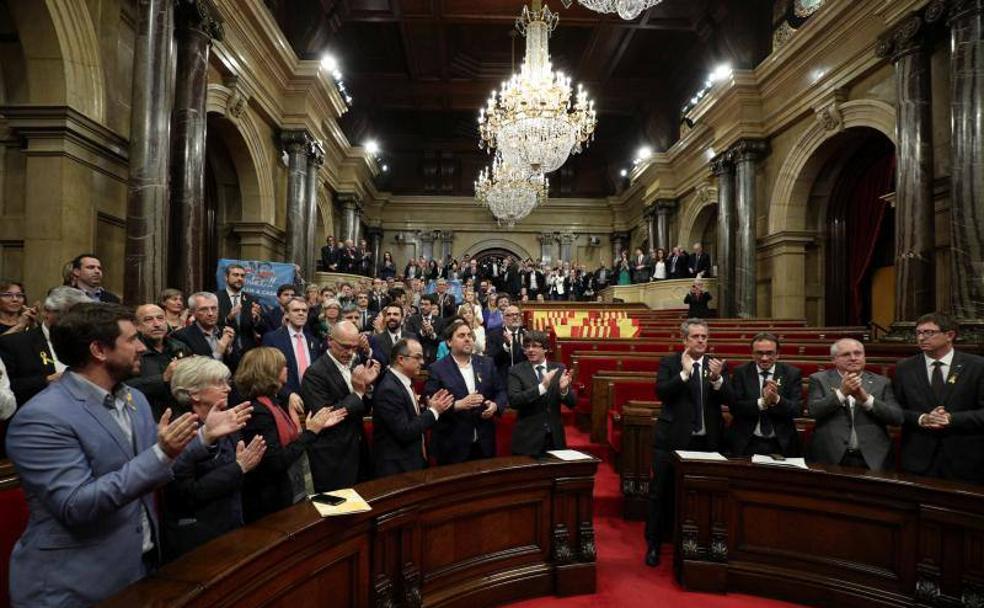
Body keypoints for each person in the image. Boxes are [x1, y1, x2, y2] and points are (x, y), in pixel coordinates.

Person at [5, 302, 249, 606]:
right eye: (132, 339)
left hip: (141, 567)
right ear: (99, 350)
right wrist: (162, 453)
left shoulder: (134, 399)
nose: (142, 349)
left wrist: (203, 439)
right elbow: (76, 505)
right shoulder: (42, 418)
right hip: (73, 583)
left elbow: (155, 471)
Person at [162, 357, 266, 561]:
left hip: (231, 525)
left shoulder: (226, 419)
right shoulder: (178, 429)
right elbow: (186, 493)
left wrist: (242, 467)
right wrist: (238, 468)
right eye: (219, 383)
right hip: (199, 539)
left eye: (227, 382)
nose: (227, 388)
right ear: (194, 393)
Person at [645, 318, 730, 567]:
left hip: (708, 441)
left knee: (705, 494)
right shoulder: (670, 362)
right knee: (659, 493)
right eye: (696, 337)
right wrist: (683, 374)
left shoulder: (717, 365)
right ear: (684, 340)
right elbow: (661, 392)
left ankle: (703, 544)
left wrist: (717, 380)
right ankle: (654, 544)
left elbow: (732, 399)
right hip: (671, 440)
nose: (701, 340)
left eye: (704, 336)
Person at [236, 347, 345, 523]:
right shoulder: (258, 411)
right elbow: (276, 461)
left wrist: (312, 428)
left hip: (287, 490)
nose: (287, 369)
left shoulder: (273, 402)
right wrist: (311, 432)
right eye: (283, 366)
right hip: (270, 503)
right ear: (269, 372)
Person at [893, 312, 984, 483]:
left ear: (949, 335)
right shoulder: (904, 368)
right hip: (919, 460)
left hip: (966, 460)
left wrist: (952, 419)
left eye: (929, 333)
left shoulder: (977, 366)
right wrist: (922, 418)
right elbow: (895, 410)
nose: (921, 338)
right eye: (918, 333)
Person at [300, 321, 381, 491]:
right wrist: (358, 393)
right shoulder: (314, 373)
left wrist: (368, 387)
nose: (350, 352)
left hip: (357, 449)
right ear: (330, 340)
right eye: (345, 346)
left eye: (354, 347)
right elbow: (327, 417)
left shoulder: (354, 365)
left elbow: (363, 408)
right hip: (333, 457)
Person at [807, 338, 903, 471]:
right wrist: (841, 393)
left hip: (873, 457)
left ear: (864, 357)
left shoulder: (882, 382)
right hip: (830, 455)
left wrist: (867, 400)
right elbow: (813, 411)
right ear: (833, 359)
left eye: (858, 353)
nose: (853, 358)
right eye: (846, 354)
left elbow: (896, 418)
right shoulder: (819, 379)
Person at [424, 319, 506, 465]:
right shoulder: (437, 369)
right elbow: (431, 404)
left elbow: (501, 392)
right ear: (449, 342)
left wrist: (495, 406)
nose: (467, 339)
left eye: (469, 335)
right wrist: (457, 405)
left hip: (483, 444)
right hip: (452, 445)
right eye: (461, 336)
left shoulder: (487, 363)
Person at [372, 338, 454, 476]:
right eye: (417, 357)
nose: (422, 362)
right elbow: (404, 431)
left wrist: (429, 408)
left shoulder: (403, 382)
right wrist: (434, 411)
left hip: (412, 462)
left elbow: (410, 417)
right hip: (397, 469)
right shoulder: (389, 389)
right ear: (401, 359)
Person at [0, 286, 89, 406]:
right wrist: (46, 380)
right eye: (68, 314)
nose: (75, 321)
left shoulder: (88, 342)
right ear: (47, 312)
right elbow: (7, 388)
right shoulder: (15, 343)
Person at [727, 332, 802, 457]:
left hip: (781, 443)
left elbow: (797, 410)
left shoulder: (791, 373)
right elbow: (735, 408)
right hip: (747, 442)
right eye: (759, 353)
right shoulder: (741, 372)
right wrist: (762, 403)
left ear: (778, 354)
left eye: (769, 353)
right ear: (752, 354)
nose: (764, 358)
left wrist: (776, 399)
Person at [507, 331, 576, 456]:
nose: (530, 350)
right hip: (528, 439)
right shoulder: (516, 371)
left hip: (555, 438)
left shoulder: (559, 369)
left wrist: (563, 390)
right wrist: (542, 387)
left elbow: (572, 403)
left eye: (535, 346)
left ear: (545, 349)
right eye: (527, 347)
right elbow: (514, 401)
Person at [128, 304, 193, 421]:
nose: (157, 324)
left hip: (181, 416)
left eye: (160, 318)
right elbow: (124, 388)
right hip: (147, 418)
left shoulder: (179, 346)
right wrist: (163, 378)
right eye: (148, 320)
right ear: (137, 326)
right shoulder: (131, 351)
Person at [261, 297, 321, 396]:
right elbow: (267, 373)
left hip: (311, 399)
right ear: (287, 314)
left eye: (304, 311)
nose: (301, 313)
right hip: (283, 400)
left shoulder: (314, 341)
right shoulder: (272, 339)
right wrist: (288, 395)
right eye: (296, 310)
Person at [217, 263, 262, 365]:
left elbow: (262, 329)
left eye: (242, 276)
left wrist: (256, 319)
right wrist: (228, 318)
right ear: (226, 277)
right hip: (225, 353)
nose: (239, 278)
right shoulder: (216, 298)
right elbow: (212, 325)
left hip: (249, 355)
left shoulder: (252, 300)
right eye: (235, 275)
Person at [172, 292, 237, 363]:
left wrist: (228, 349)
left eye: (214, 308)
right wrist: (219, 351)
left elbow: (237, 366)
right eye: (204, 309)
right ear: (193, 312)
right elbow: (188, 370)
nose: (210, 313)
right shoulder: (181, 336)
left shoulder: (226, 332)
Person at [487, 304, 528, 381]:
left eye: (517, 314)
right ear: (504, 318)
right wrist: (506, 346)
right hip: (502, 377)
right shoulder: (494, 335)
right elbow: (491, 359)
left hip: (524, 378)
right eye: (510, 315)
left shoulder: (526, 335)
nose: (515, 317)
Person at [405, 294, 444, 365]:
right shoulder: (412, 320)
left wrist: (433, 335)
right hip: (417, 359)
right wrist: (422, 333)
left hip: (435, 360)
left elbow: (444, 341)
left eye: (426, 304)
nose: (423, 307)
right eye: (421, 304)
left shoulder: (440, 321)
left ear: (432, 306)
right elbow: (409, 339)